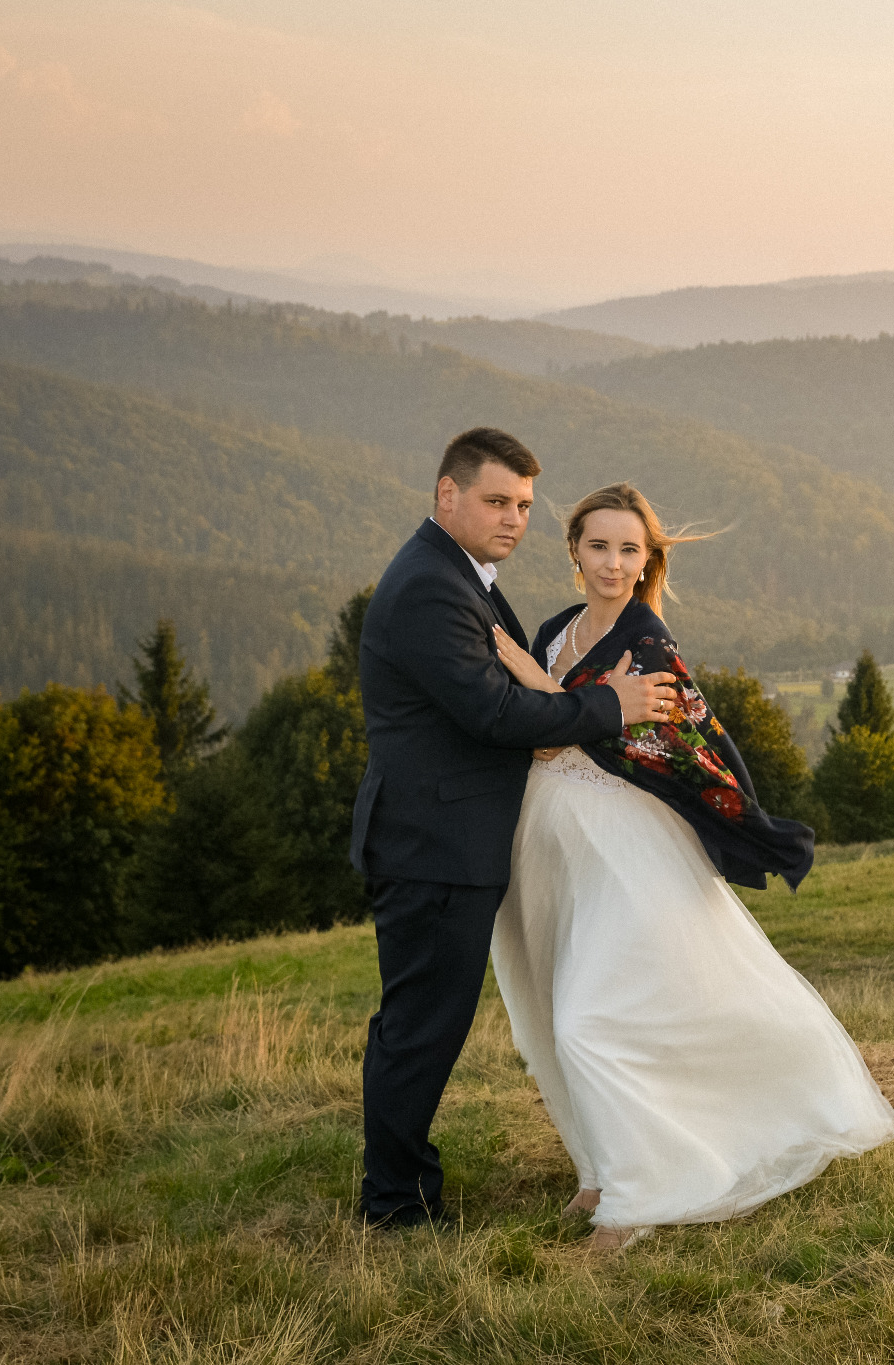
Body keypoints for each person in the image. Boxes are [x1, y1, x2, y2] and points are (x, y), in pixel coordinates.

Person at [487, 481, 894, 1251]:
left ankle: (639, 1197)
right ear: (574, 549)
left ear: (647, 562)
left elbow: (616, 735)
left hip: (624, 848)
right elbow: (549, 732)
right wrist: (559, 703)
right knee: (545, 1011)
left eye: (629, 550)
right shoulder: (552, 630)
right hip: (545, 847)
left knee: (591, 1017)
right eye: (599, 546)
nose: (613, 563)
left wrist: (534, 683)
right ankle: (597, 1169)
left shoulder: (647, 644)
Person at [350, 429, 680, 1231]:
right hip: (433, 843)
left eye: (525, 505)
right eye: (496, 500)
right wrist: (613, 705)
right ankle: (395, 1204)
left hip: (446, 837)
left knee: (423, 1023)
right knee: (420, 1028)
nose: (512, 518)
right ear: (446, 495)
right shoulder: (432, 586)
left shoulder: (460, 575)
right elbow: (495, 711)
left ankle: (403, 1186)